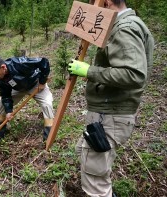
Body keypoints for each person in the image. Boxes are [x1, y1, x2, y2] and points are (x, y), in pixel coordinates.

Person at [67, 0, 154, 196]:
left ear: (105, 2)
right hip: (108, 112)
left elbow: (134, 74)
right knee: (86, 154)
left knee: (95, 178)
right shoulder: (127, 25)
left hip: (109, 115)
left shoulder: (124, 28)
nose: (92, 8)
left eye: (94, 2)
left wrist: (90, 71)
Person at [0, 55, 54, 145]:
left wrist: (42, 82)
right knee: (0, 103)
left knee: (47, 104)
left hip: (36, 84)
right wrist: (8, 110)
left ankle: (48, 137)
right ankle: (0, 132)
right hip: (18, 89)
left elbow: (44, 62)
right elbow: (5, 95)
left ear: (3, 67)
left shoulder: (20, 63)